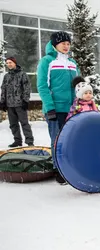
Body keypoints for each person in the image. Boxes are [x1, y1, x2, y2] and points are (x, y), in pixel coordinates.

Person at [37, 31, 79, 185]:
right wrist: (49, 107)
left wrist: (80, 103)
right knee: (57, 140)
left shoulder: (72, 62)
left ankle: (69, 166)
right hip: (55, 109)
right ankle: (58, 169)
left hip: (71, 109)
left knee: (71, 139)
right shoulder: (47, 61)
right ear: (55, 44)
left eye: (68, 44)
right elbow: (42, 86)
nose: (66, 46)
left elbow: (78, 85)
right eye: (63, 43)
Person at [0, 57, 34, 147]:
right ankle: (17, 140)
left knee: (24, 123)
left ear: (15, 63)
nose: (9, 64)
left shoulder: (22, 74)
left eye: (10, 62)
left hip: (20, 104)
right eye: (7, 63)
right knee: (13, 124)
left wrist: (25, 100)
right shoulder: (6, 76)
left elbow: (27, 88)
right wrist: (2, 102)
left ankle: (29, 141)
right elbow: (3, 89)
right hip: (10, 104)